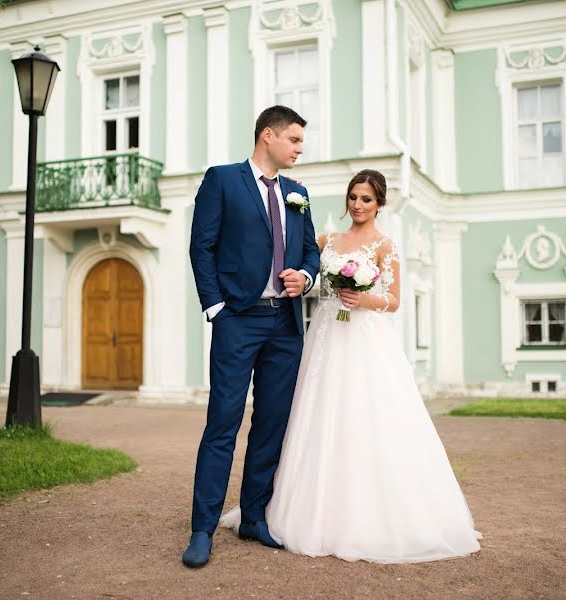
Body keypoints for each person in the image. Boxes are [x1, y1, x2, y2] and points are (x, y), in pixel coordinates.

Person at [220, 169, 482, 563]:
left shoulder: (385, 246)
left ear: (380, 204)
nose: (358, 206)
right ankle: (298, 507)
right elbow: (308, 279)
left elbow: (394, 300)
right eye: (353, 198)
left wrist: (365, 300)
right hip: (325, 335)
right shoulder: (327, 240)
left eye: (367, 200)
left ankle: (367, 514)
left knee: (366, 417)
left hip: (363, 340)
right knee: (315, 414)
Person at [184, 105, 321, 568]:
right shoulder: (222, 180)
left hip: (285, 324)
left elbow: (309, 252)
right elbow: (201, 245)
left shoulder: (299, 192)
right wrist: (216, 308)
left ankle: (254, 516)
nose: (301, 148)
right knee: (223, 422)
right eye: (296, 140)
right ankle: (202, 529)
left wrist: (304, 275)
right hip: (237, 320)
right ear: (269, 135)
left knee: (272, 422)